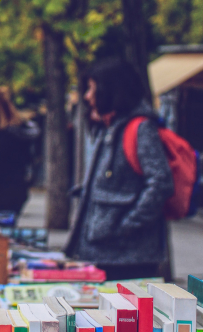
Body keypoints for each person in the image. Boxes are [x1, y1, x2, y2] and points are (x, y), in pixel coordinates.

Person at [64, 59, 174, 280]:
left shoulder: (140, 128)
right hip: (108, 251)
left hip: (128, 257)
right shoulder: (112, 127)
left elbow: (160, 182)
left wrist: (127, 225)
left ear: (110, 90)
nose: (87, 96)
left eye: (92, 89)